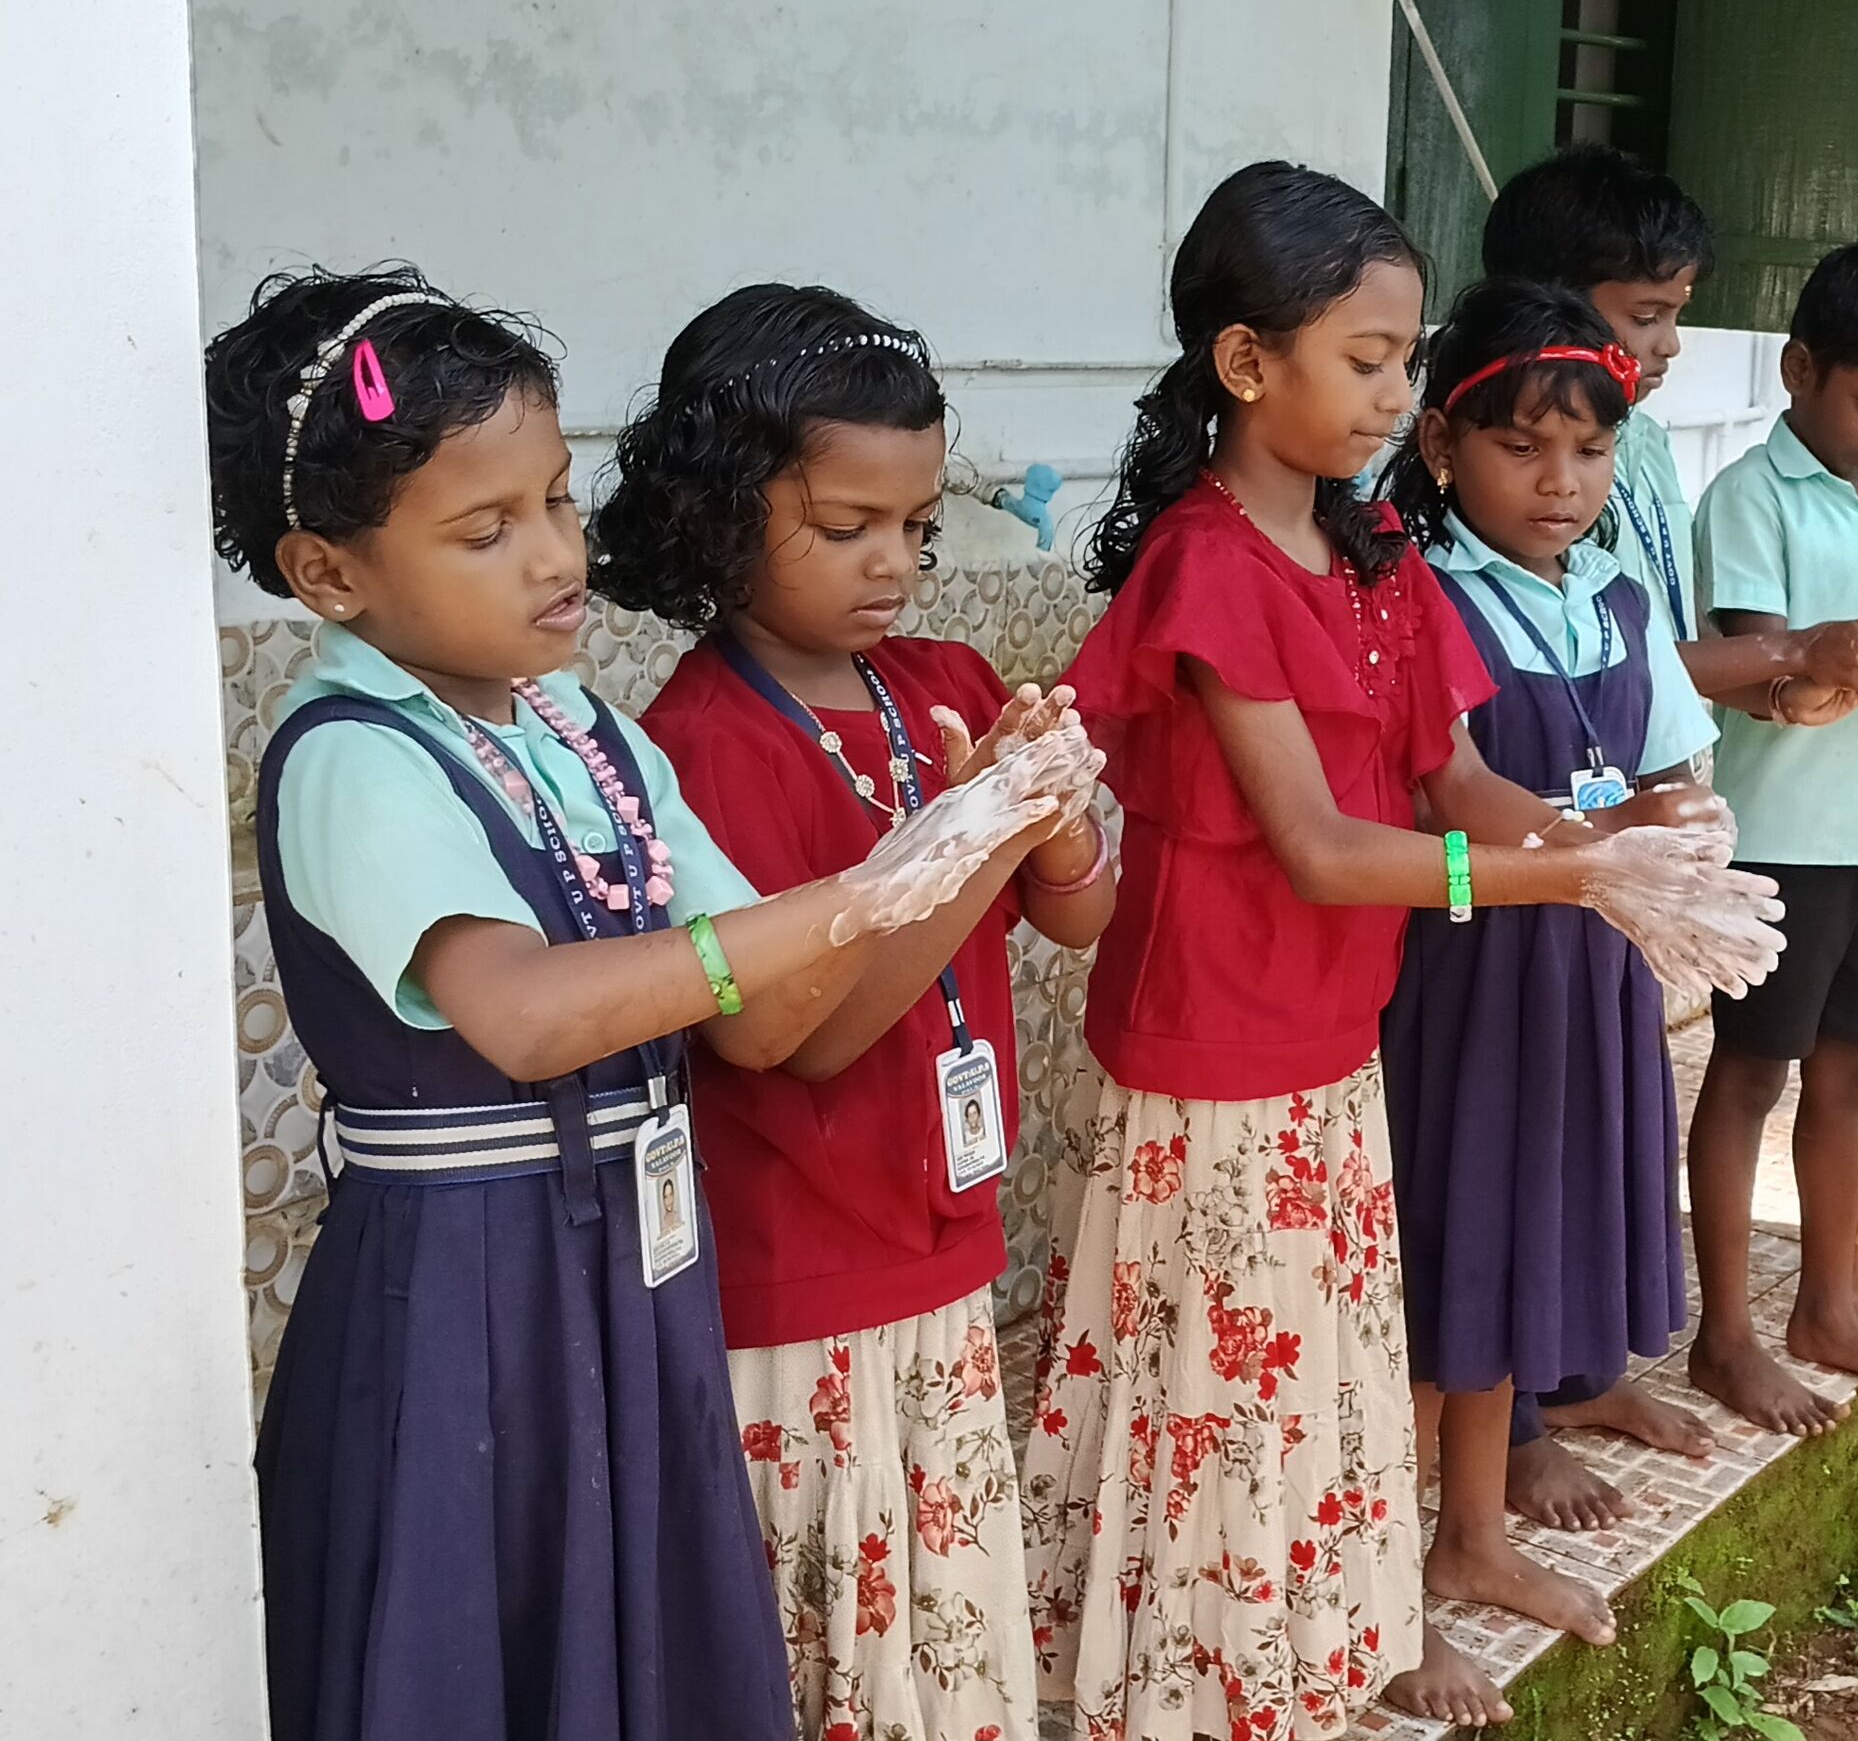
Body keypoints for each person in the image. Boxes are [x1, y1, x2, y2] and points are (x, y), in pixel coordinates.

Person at [210, 267, 1067, 1741]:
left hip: (629, 1259)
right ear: (328, 572)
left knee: (640, 1642)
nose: (556, 552)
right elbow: (526, 1014)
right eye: (488, 529)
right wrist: (869, 889)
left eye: (555, 497)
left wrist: (976, 833)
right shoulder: (353, 750)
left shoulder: (586, 730)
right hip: (469, 1285)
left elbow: (762, 1023)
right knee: (485, 1634)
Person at [1018, 161, 1779, 1738]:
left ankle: (1326, 1627)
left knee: (1328, 1358)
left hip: (1325, 1028)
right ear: (1246, 361)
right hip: (1214, 1041)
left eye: (1403, 360)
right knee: (1228, 1378)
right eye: (1365, 360)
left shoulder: (1372, 556)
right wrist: (1569, 877)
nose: (1390, 393)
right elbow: (1317, 845)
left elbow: (1457, 777)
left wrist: (1610, 856)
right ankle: (1213, 1672)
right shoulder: (1210, 565)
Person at [587, 285, 1117, 1741]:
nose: (893, 562)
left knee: (939, 1628)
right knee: (836, 1636)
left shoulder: (942, 685)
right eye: (844, 525)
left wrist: (1054, 811)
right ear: (715, 516)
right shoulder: (701, 743)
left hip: (935, 1234)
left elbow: (1080, 915)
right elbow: (796, 1037)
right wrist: (970, 836)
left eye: (917, 524)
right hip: (802, 1269)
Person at [1373, 278, 1731, 1628]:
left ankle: (1470, 1532)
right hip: (1469, 967)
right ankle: (1395, 1551)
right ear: (1441, 445)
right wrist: (1619, 831)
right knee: (1458, 1233)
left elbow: (1672, 765)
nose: (1560, 480)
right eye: (1521, 445)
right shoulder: (1418, 597)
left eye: (1590, 448)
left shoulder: (1620, 600)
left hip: (1592, 965)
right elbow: (1435, 796)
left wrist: (1688, 823)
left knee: (1533, 1221)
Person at [1686, 240, 1858, 1428]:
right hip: (1788, 834)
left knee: (1855, 1069)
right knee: (1752, 1070)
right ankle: (1724, 1336)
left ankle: (1829, 1299)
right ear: (1799, 369)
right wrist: (1850, 661)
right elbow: (1767, 677)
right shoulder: (1747, 498)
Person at [1481, 144, 1858, 720]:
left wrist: (1779, 696)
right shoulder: (1516, 476)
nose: (1671, 343)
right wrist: (1797, 649)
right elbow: (1601, 658)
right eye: (1646, 317)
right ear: (1549, 305)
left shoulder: (1647, 441)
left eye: (1675, 315)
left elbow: (1675, 623)